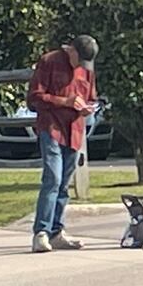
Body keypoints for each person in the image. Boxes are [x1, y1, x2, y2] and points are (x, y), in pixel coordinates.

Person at [26, 35, 99, 254]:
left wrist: (88, 107)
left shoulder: (87, 70)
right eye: (80, 59)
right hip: (51, 128)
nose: (81, 66)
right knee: (53, 178)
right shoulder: (49, 61)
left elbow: (92, 98)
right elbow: (34, 99)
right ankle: (41, 233)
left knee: (64, 183)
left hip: (74, 131)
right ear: (72, 50)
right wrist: (65, 101)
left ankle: (57, 232)